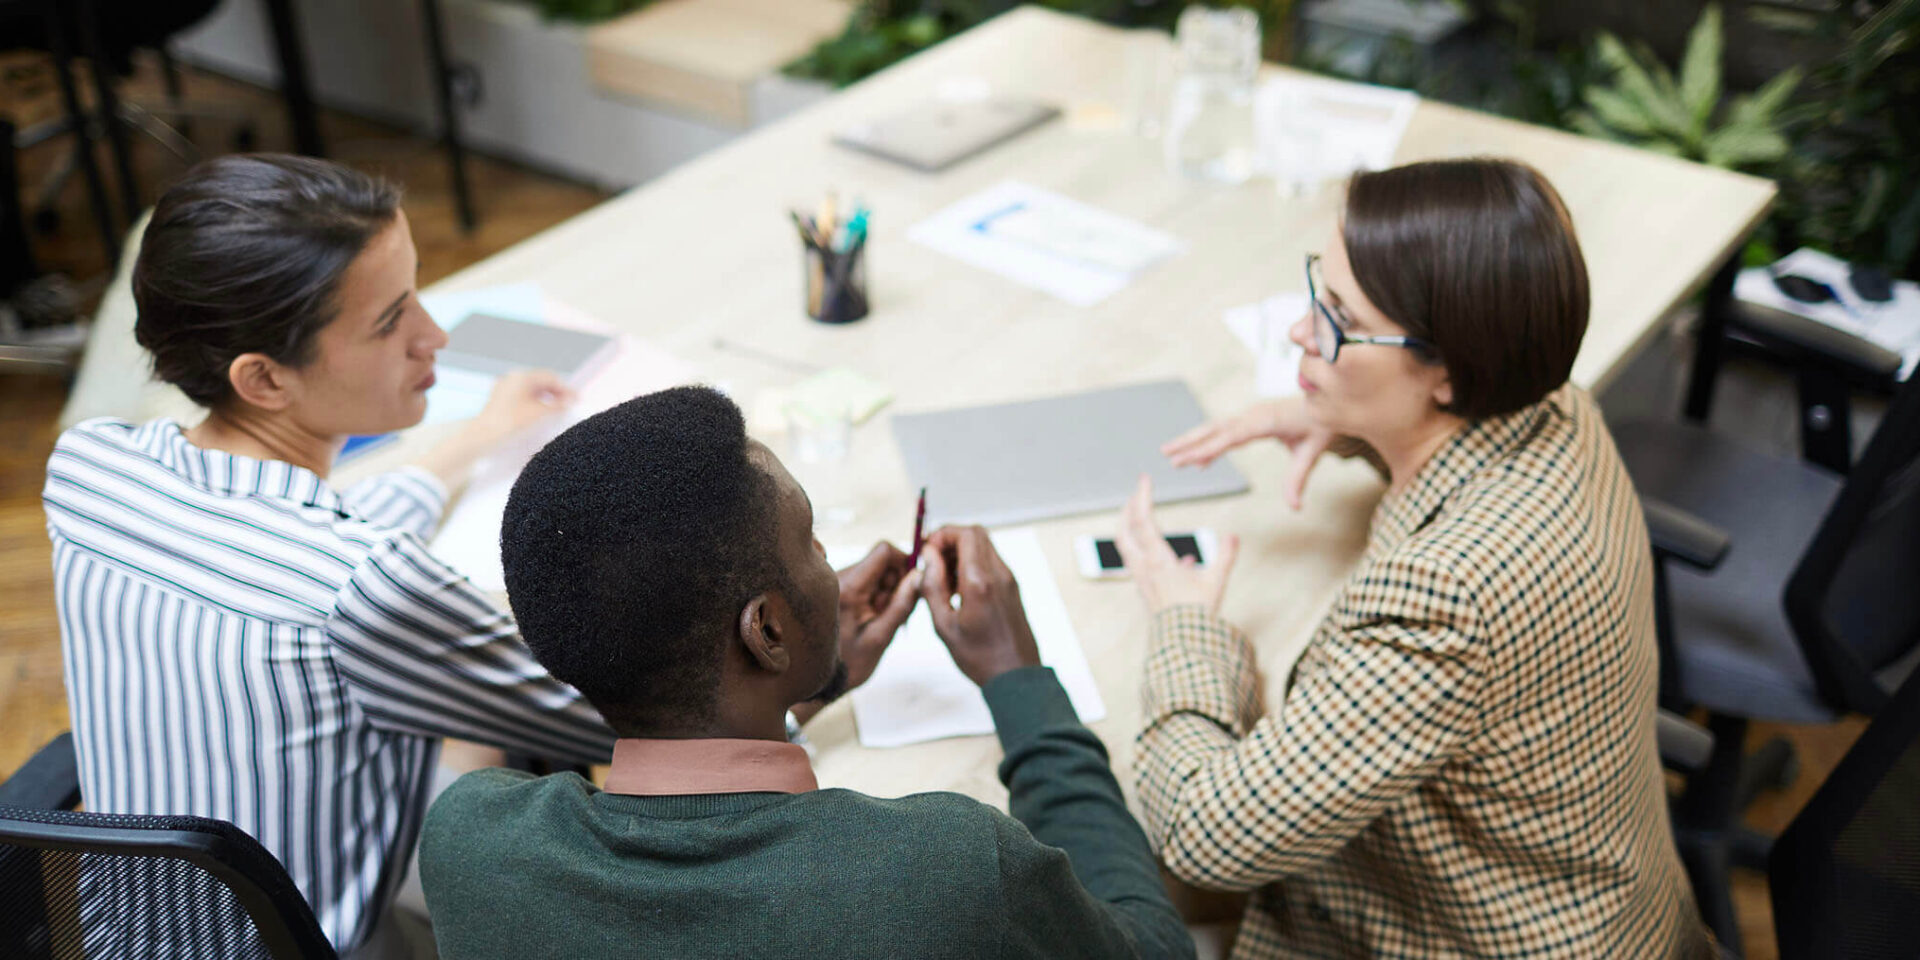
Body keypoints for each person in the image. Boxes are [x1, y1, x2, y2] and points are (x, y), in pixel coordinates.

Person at [1117, 158, 1709, 958]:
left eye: (1336, 319)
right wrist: (1347, 417)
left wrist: (1185, 625)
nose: (1299, 332)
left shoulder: (1445, 593)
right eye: (1315, 293)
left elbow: (1208, 836)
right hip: (1616, 913)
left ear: (1448, 371)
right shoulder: (1559, 407)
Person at [43, 155, 611, 958]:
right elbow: (617, 721)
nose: (434, 338)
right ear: (264, 379)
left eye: (416, 293)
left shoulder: (87, 471)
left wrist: (471, 441)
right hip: (338, 948)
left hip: (139, 938)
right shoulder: (362, 584)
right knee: (512, 759)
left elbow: (287, 553)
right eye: (390, 322)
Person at [417, 385, 1195, 960]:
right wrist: (1019, 680)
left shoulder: (470, 841)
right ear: (765, 629)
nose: (830, 564)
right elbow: (1154, 949)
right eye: (814, 540)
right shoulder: (940, 876)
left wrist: (801, 682)